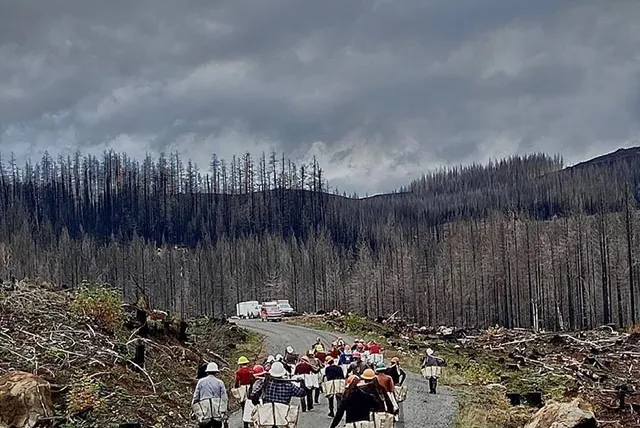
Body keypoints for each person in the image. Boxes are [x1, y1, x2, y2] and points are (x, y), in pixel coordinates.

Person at [329, 369, 394, 428]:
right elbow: (381, 404)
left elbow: (339, 414)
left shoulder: (347, 398)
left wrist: (332, 426)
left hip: (351, 424)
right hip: (367, 422)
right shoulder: (375, 391)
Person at [192, 362, 228, 428]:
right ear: (216, 372)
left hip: (204, 411)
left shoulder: (201, 382)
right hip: (217, 411)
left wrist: (193, 410)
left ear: (207, 372)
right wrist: (224, 411)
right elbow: (224, 398)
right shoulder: (220, 382)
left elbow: (196, 397)